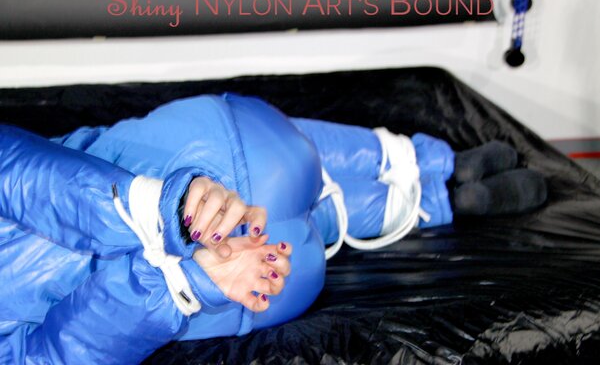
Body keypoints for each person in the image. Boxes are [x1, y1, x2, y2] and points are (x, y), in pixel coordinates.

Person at [0, 93, 547, 364]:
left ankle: (436, 198)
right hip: (220, 166)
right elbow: (25, 177)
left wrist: (182, 278)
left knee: (302, 212)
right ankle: (431, 167)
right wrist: (163, 211)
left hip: (237, 282)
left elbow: (54, 356)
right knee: (282, 159)